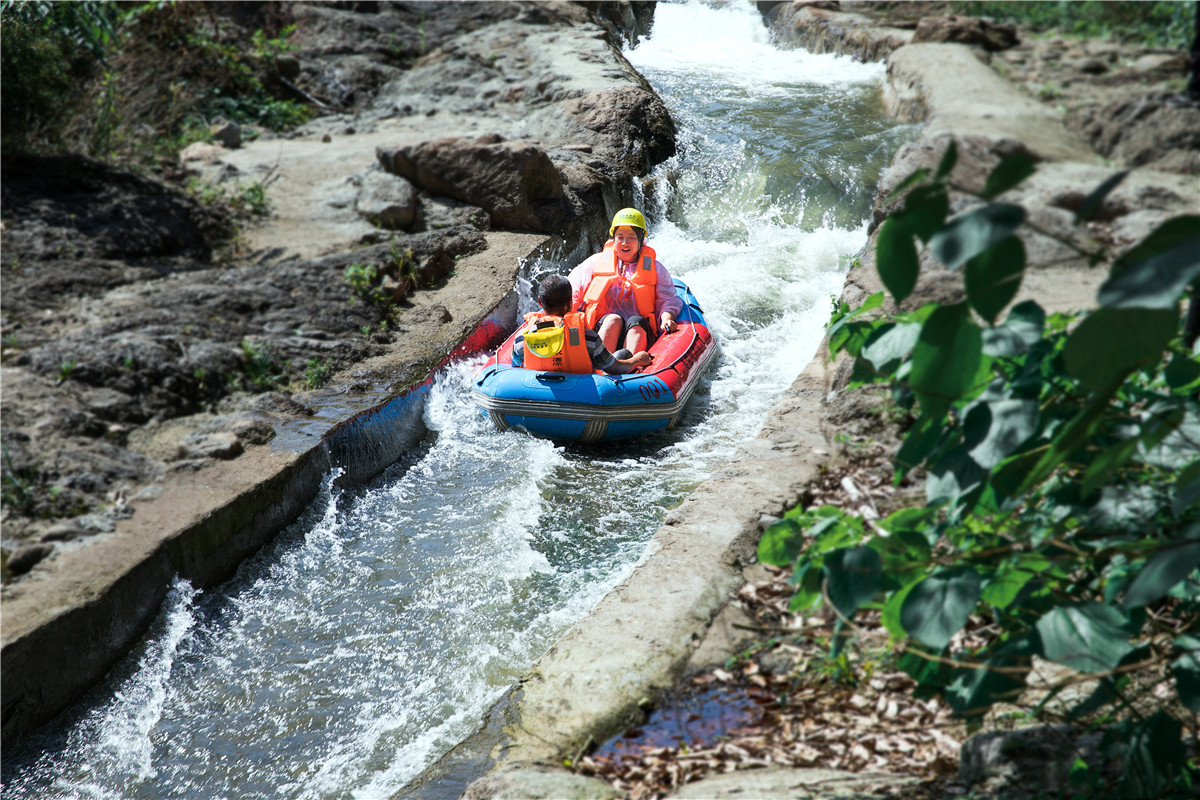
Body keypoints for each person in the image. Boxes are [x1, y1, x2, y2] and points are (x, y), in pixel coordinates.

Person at [568, 207, 683, 354]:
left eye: (631, 237)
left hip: (639, 331)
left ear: (641, 240)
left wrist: (667, 318)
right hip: (602, 330)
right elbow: (573, 291)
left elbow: (668, 300)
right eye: (620, 237)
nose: (625, 243)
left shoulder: (656, 269)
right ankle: (601, 367)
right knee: (613, 320)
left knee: (636, 322)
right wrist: (564, 319)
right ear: (613, 238)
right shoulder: (594, 263)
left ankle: (630, 367)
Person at [512, 274, 652, 374]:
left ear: (540, 302)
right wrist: (636, 360)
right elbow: (613, 367)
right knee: (624, 354)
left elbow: (515, 366)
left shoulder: (523, 338)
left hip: (536, 395)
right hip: (584, 397)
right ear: (570, 303)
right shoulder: (587, 338)